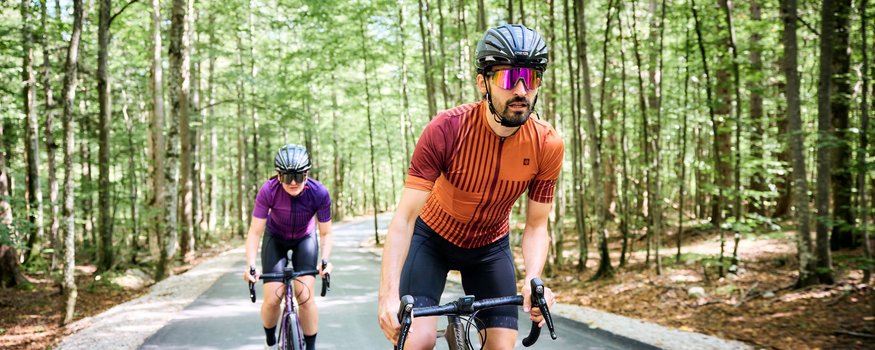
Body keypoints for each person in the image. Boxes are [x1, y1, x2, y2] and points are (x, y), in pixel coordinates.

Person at [377, 24, 564, 350]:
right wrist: (388, 297)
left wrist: (533, 279)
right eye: (508, 78)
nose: (521, 90)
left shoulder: (547, 143)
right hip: (432, 240)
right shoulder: (446, 130)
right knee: (416, 341)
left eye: (531, 78)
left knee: (502, 347)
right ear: (483, 83)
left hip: (489, 249)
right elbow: (404, 220)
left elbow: (536, 225)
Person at [243, 144, 334, 350]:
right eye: (287, 176)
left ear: (307, 173)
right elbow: (255, 232)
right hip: (275, 238)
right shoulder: (268, 191)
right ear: (278, 175)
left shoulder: (319, 193)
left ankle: (310, 347)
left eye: (299, 176)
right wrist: (250, 265)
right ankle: (270, 339)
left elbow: (326, 232)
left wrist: (326, 261)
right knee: (273, 297)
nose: (293, 182)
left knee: (305, 296)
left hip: (305, 239)